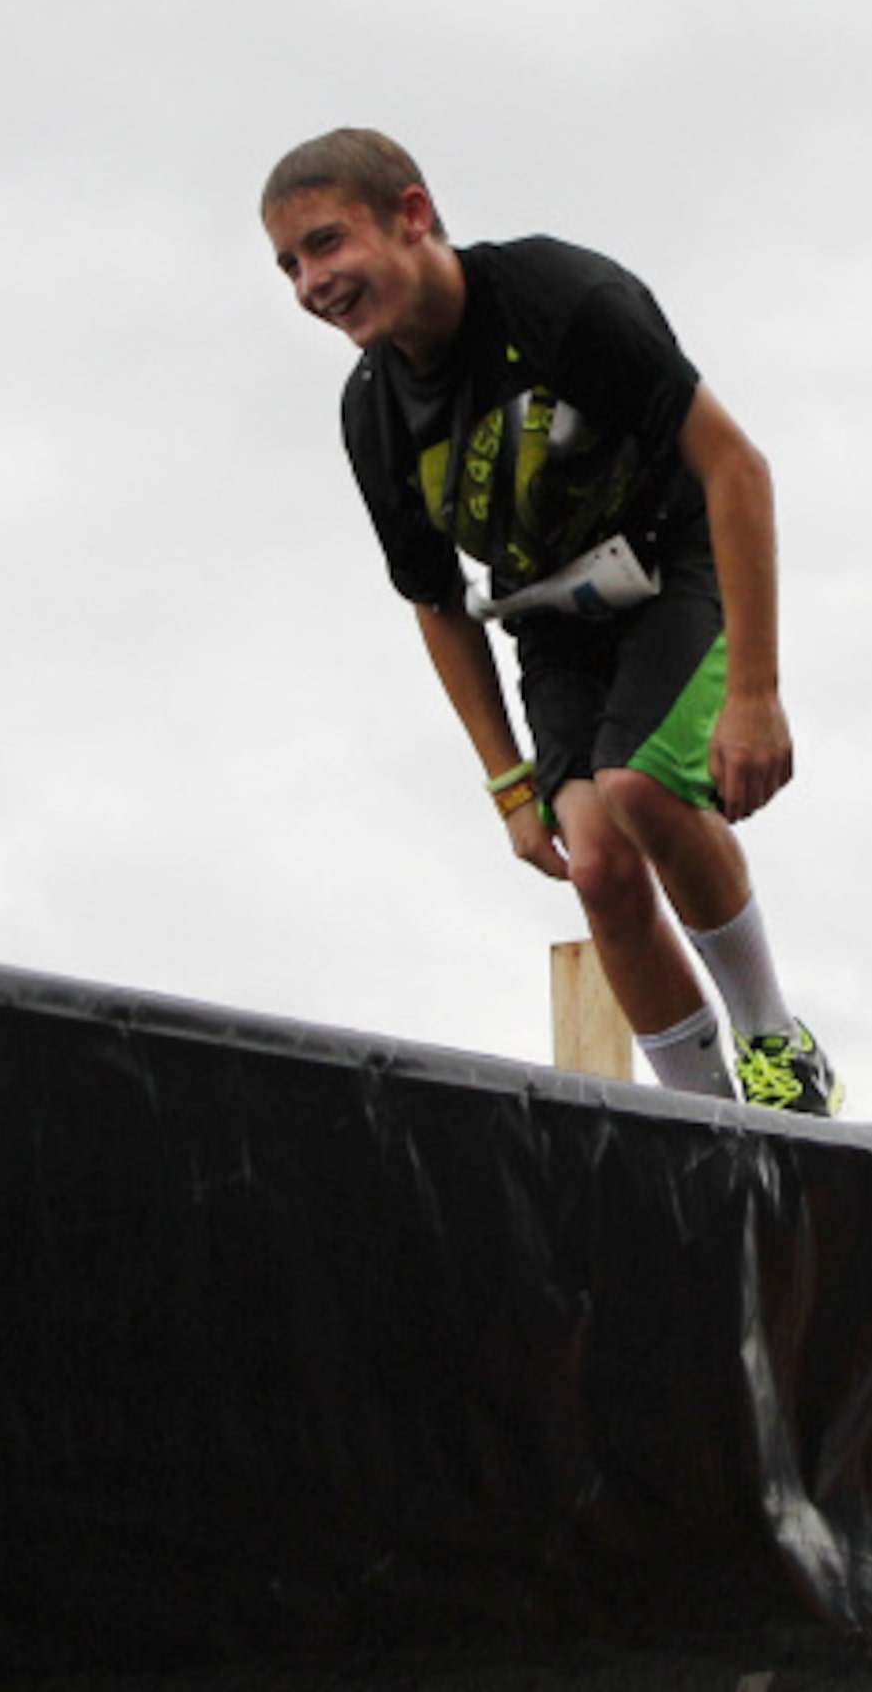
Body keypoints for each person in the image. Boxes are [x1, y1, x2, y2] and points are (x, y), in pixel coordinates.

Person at [261, 128, 839, 1115]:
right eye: (289, 266)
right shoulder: (374, 412)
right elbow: (436, 601)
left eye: (326, 244)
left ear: (411, 215)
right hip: (555, 617)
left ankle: (775, 1042)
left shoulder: (561, 301)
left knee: (642, 786)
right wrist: (507, 783)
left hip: (675, 558)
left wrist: (757, 694)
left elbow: (736, 464)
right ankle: (704, 1119)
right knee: (600, 863)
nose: (313, 283)